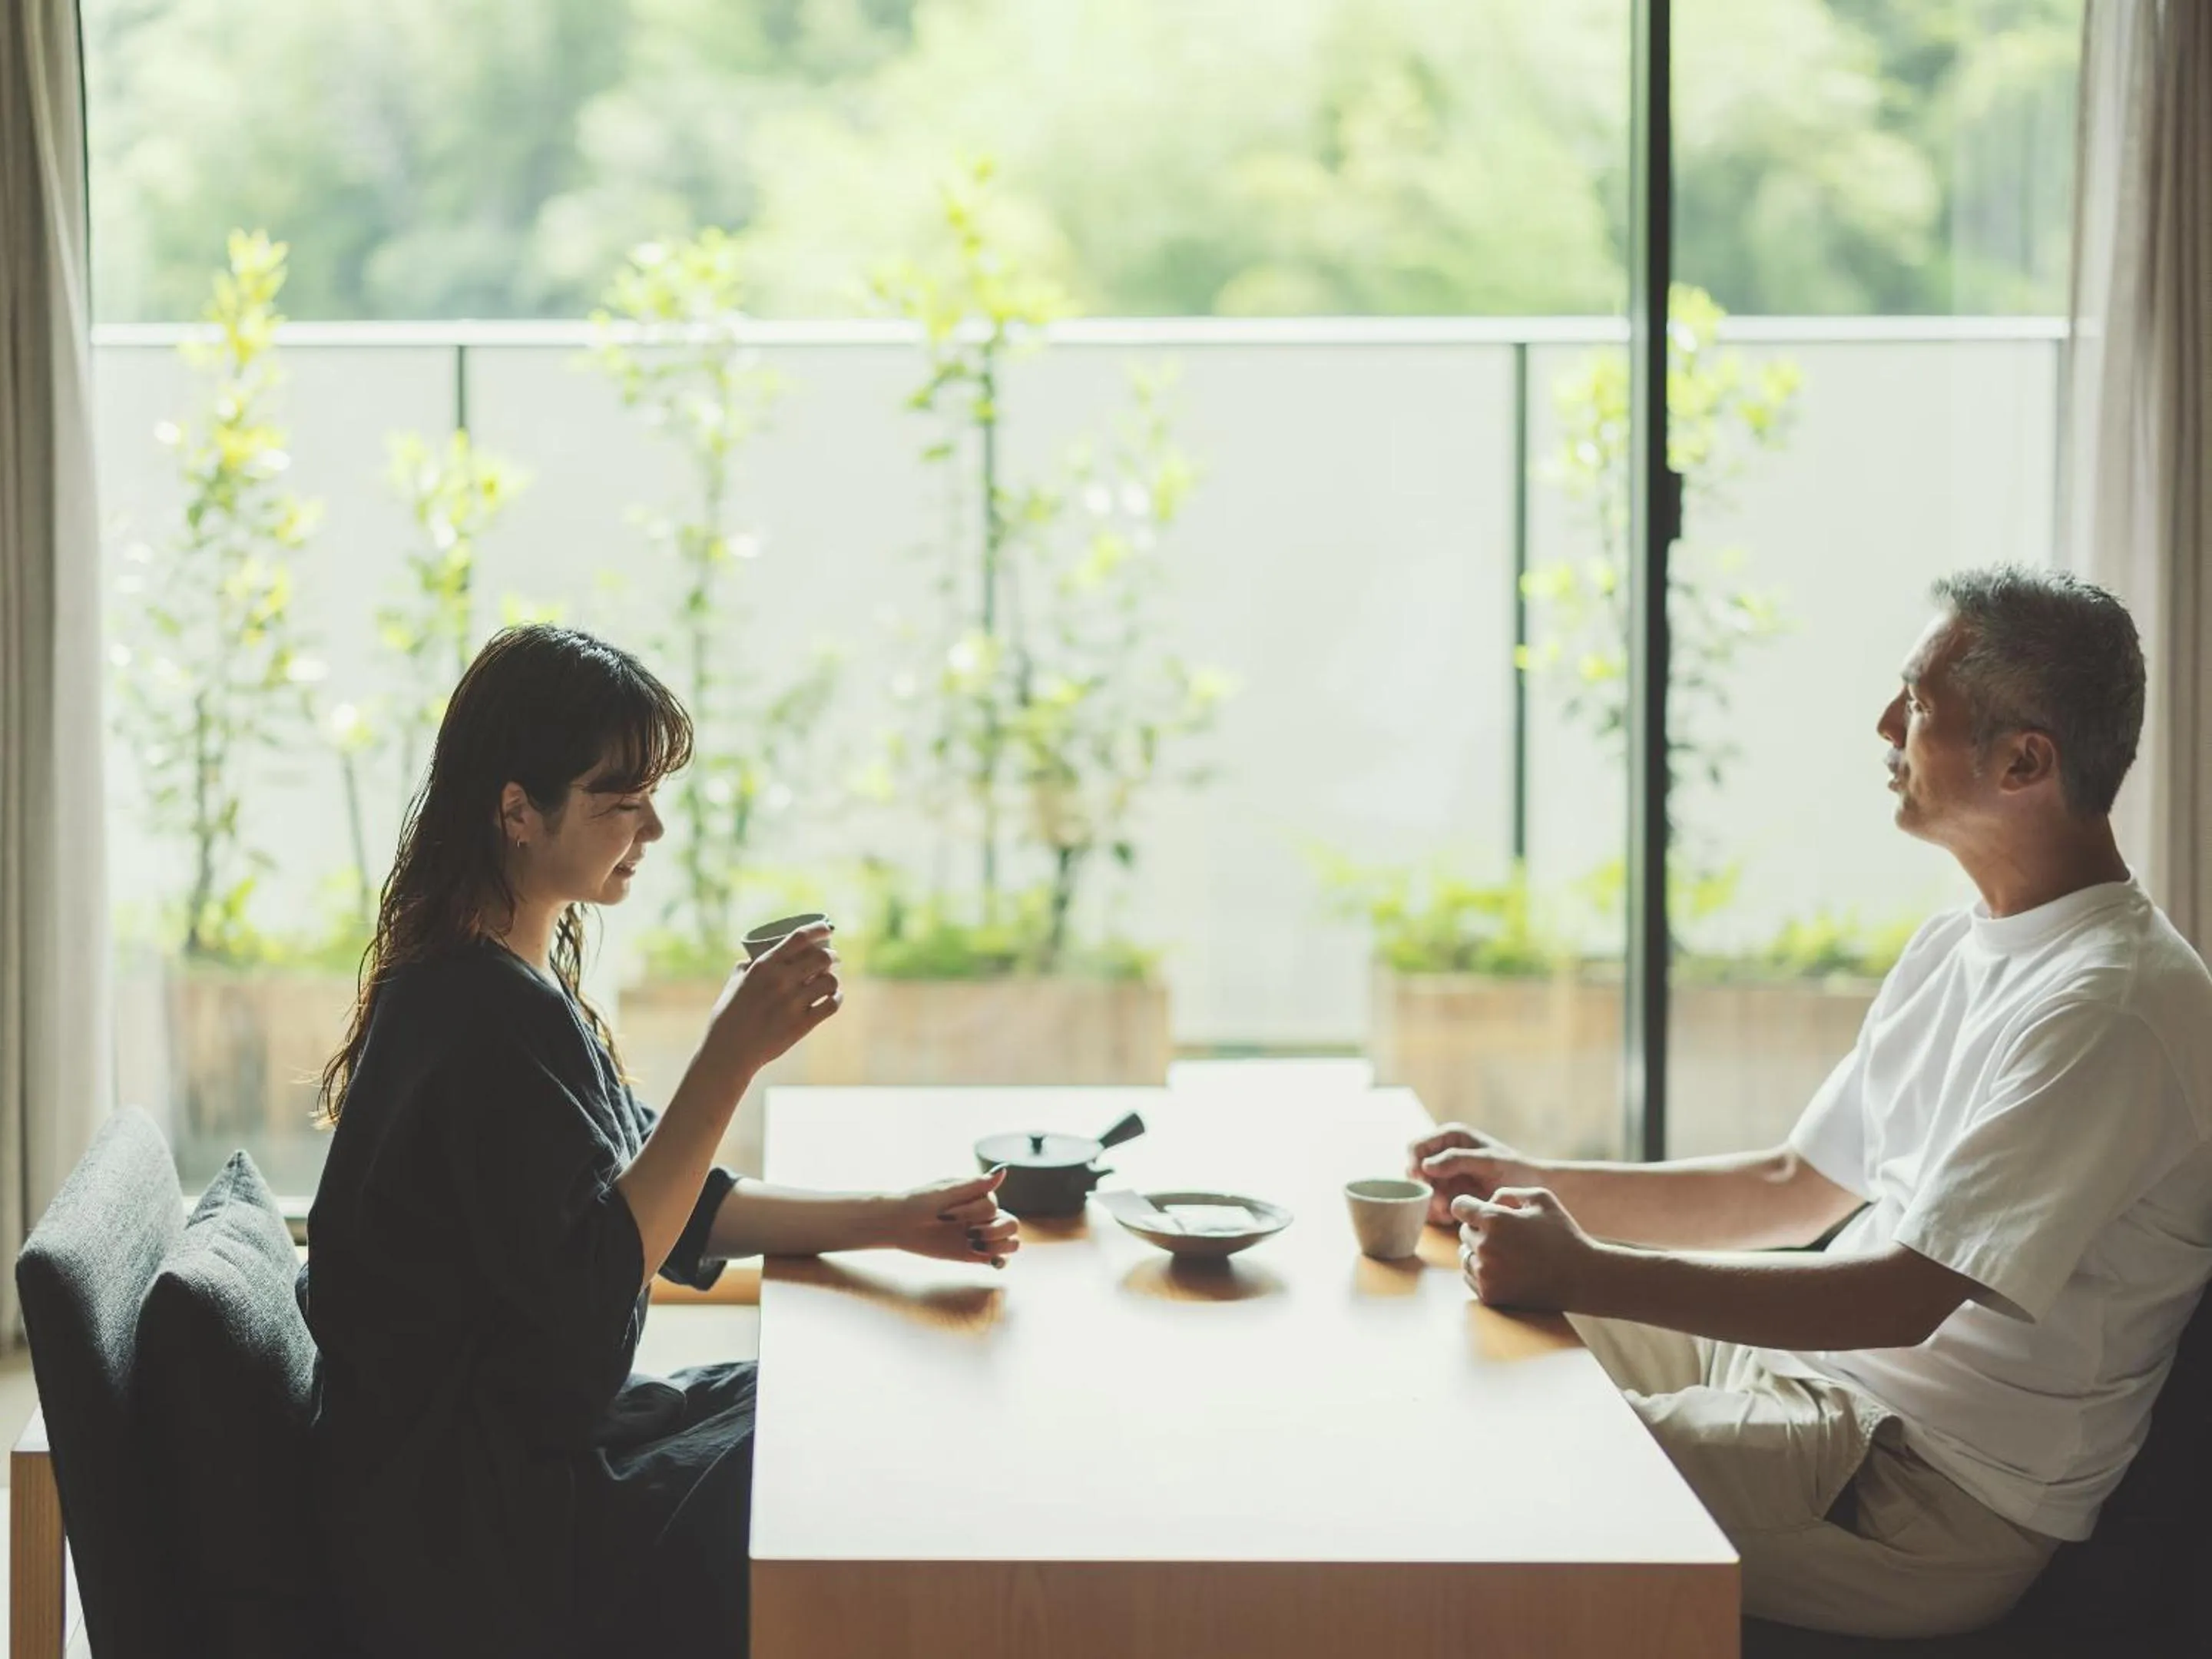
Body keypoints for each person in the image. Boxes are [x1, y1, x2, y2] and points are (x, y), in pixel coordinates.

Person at [1412, 567, 2212, 1638]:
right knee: (1458, 1339)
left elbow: (1900, 1299)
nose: (1886, 725)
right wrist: (1534, 1180)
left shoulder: (2116, 1006)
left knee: (1511, 1465)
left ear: (2026, 760)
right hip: (1811, 1383)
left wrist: (1588, 1268)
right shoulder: (1960, 942)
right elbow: (1795, 1189)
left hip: (1917, 1486)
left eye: (1920, 704)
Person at [303, 624, 1022, 1659]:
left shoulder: (497, 976)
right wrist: (732, 1056)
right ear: (517, 809)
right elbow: (593, 1296)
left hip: (494, 1476)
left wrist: (893, 1218)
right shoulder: (477, 1021)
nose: (654, 830)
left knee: (835, 1409)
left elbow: (664, 1191)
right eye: (622, 801)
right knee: (842, 1461)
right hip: (477, 1545)